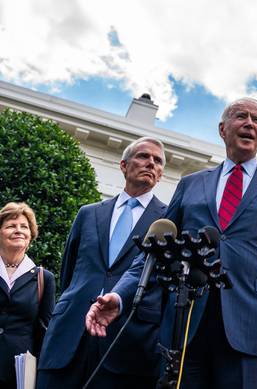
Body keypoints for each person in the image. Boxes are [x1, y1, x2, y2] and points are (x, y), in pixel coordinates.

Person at [86, 98, 257, 388]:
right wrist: (120, 295)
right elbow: (156, 250)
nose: (250, 123)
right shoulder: (191, 184)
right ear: (223, 129)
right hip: (187, 326)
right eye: (241, 116)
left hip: (251, 329)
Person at [37, 137, 167, 389]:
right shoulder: (88, 213)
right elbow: (69, 272)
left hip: (127, 342)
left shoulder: (167, 219)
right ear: (123, 165)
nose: (150, 163)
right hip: (69, 335)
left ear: (161, 174)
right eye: (143, 156)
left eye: (158, 161)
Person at [0, 202, 56, 389]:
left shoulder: (43, 278)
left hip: (19, 373)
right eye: (10, 226)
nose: (18, 230)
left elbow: (45, 330)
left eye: (24, 227)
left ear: (31, 235)